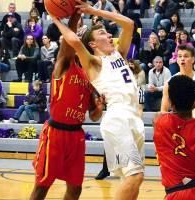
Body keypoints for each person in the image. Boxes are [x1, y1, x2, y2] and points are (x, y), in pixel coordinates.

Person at [51, 1, 145, 199]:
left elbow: (128, 24)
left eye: (107, 33)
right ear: (92, 44)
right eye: (102, 34)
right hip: (118, 117)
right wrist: (56, 20)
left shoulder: (119, 55)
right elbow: (75, 42)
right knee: (135, 175)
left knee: (132, 180)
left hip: (133, 117)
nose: (109, 35)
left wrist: (93, 10)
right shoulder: (93, 62)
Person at [29, 13, 105, 200]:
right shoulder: (64, 65)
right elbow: (68, 44)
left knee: (75, 189)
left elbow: (93, 117)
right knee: (41, 187)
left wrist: (98, 108)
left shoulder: (91, 78)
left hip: (76, 136)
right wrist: (76, 14)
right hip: (55, 134)